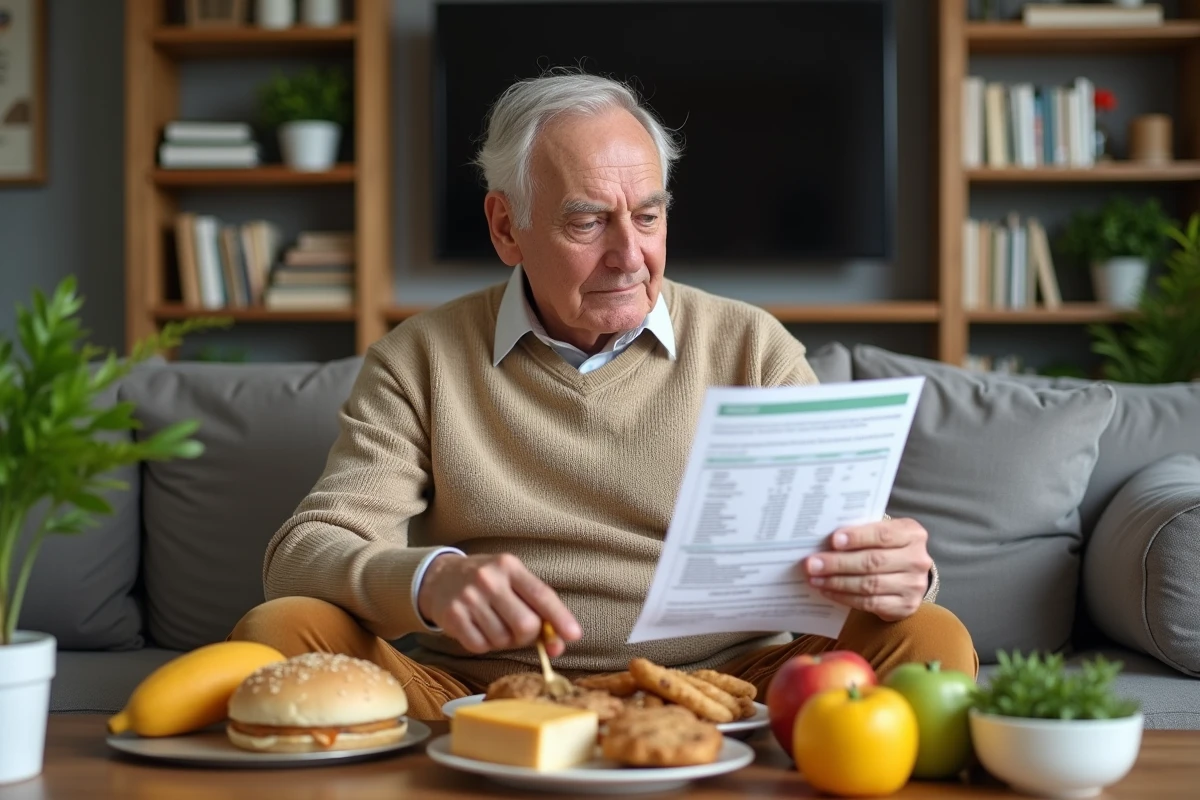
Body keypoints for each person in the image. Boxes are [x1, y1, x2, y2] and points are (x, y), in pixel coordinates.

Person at [231, 72, 977, 721]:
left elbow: (851, 543)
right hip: (481, 695)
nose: (629, 256)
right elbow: (302, 554)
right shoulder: (417, 359)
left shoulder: (750, 346)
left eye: (648, 216)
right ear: (506, 227)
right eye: (587, 221)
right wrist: (431, 579)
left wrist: (903, 570)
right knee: (281, 629)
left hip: (731, 687)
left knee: (929, 636)